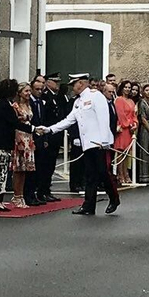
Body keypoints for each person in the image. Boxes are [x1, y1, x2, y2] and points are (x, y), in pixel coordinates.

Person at [36, 74, 118, 216]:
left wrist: (104, 141)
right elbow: (69, 120)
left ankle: (114, 198)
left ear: (81, 83)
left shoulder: (96, 96)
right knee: (90, 175)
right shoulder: (78, 102)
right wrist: (49, 129)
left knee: (103, 173)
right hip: (87, 144)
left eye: (73, 85)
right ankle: (88, 206)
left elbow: (104, 118)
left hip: (99, 142)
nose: (72, 88)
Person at [0, 79, 32, 211]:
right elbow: (14, 123)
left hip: (1, 143)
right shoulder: (3, 105)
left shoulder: (5, 103)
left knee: (0, 171)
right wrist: (33, 129)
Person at [29, 72, 64, 204]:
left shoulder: (55, 96)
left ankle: (45, 190)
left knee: (49, 166)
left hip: (51, 135)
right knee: (42, 166)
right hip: (43, 135)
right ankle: (40, 191)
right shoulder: (44, 97)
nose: (41, 88)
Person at [12, 80, 38, 205]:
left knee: (26, 169)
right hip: (20, 137)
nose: (28, 93)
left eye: (29, 90)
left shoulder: (29, 105)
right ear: (20, 92)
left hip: (29, 137)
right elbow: (15, 122)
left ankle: (23, 195)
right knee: (19, 168)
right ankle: (17, 196)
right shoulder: (15, 106)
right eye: (26, 91)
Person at [113, 81, 138, 186]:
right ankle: (120, 174)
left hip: (130, 129)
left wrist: (134, 124)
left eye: (129, 87)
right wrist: (128, 124)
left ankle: (126, 173)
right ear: (122, 88)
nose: (127, 89)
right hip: (123, 129)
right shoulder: (119, 100)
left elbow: (134, 115)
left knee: (127, 153)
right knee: (120, 152)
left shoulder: (131, 101)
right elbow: (120, 114)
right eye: (126, 87)